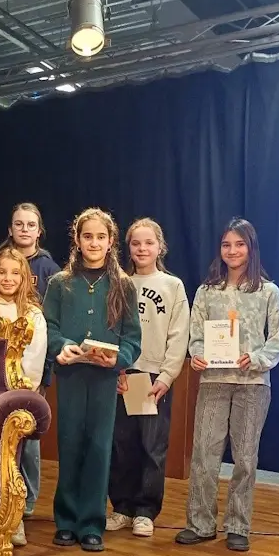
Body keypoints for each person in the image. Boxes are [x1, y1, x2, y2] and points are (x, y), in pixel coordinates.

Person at [177, 217, 279, 553]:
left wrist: (255, 358)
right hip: (213, 381)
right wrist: (197, 355)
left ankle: (238, 525)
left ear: (251, 248)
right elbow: (196, 335)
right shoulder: (207, 291)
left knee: (245, 458)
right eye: (226, 244)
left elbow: (278, 339)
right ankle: (200, 523)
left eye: (239, 244)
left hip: (252, 383)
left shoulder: (268, 291)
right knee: (204, 454)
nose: (233, 251)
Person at [43, 208, 141, 553]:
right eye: (88, 236)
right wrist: (61, 346)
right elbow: (48, 327)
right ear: (77, 240)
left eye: (101, 237)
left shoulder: (123, 285)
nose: (94, 243)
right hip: (71, 374)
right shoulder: (60, 283)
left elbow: (132, 338)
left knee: (99, 448)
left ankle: (91, 522)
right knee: (69, 443)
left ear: (111, 241)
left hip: (104, 379)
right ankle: (66, 520)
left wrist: (119, 357)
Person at [107, 219, 189, 539]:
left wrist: (167, 376)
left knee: (151, 447)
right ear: (128, 248)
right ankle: (122, 507)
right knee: (122, 444)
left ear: (160, 246)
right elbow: (110, 328)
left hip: (153, 376)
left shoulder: (172, 286)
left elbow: (178, 334)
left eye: (148, 243)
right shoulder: (120, 283)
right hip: (125, 374)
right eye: (136, 243)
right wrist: (116, 368)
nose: (142, 249)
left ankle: (145, 510)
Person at [0, 248, 47, 547]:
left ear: (25, 278)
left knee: (19, 455)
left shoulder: (32, 314)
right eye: (2, 272)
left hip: (18, 392)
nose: (8, 279)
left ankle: (17, 515)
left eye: (15, 273)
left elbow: (35, 357)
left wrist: (21, 390)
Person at [0, 203, 62, 299]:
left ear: (39, 232)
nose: (25, 229)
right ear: (10, 230)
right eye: (18, 224)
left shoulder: (51, 270)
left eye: (31, 225)